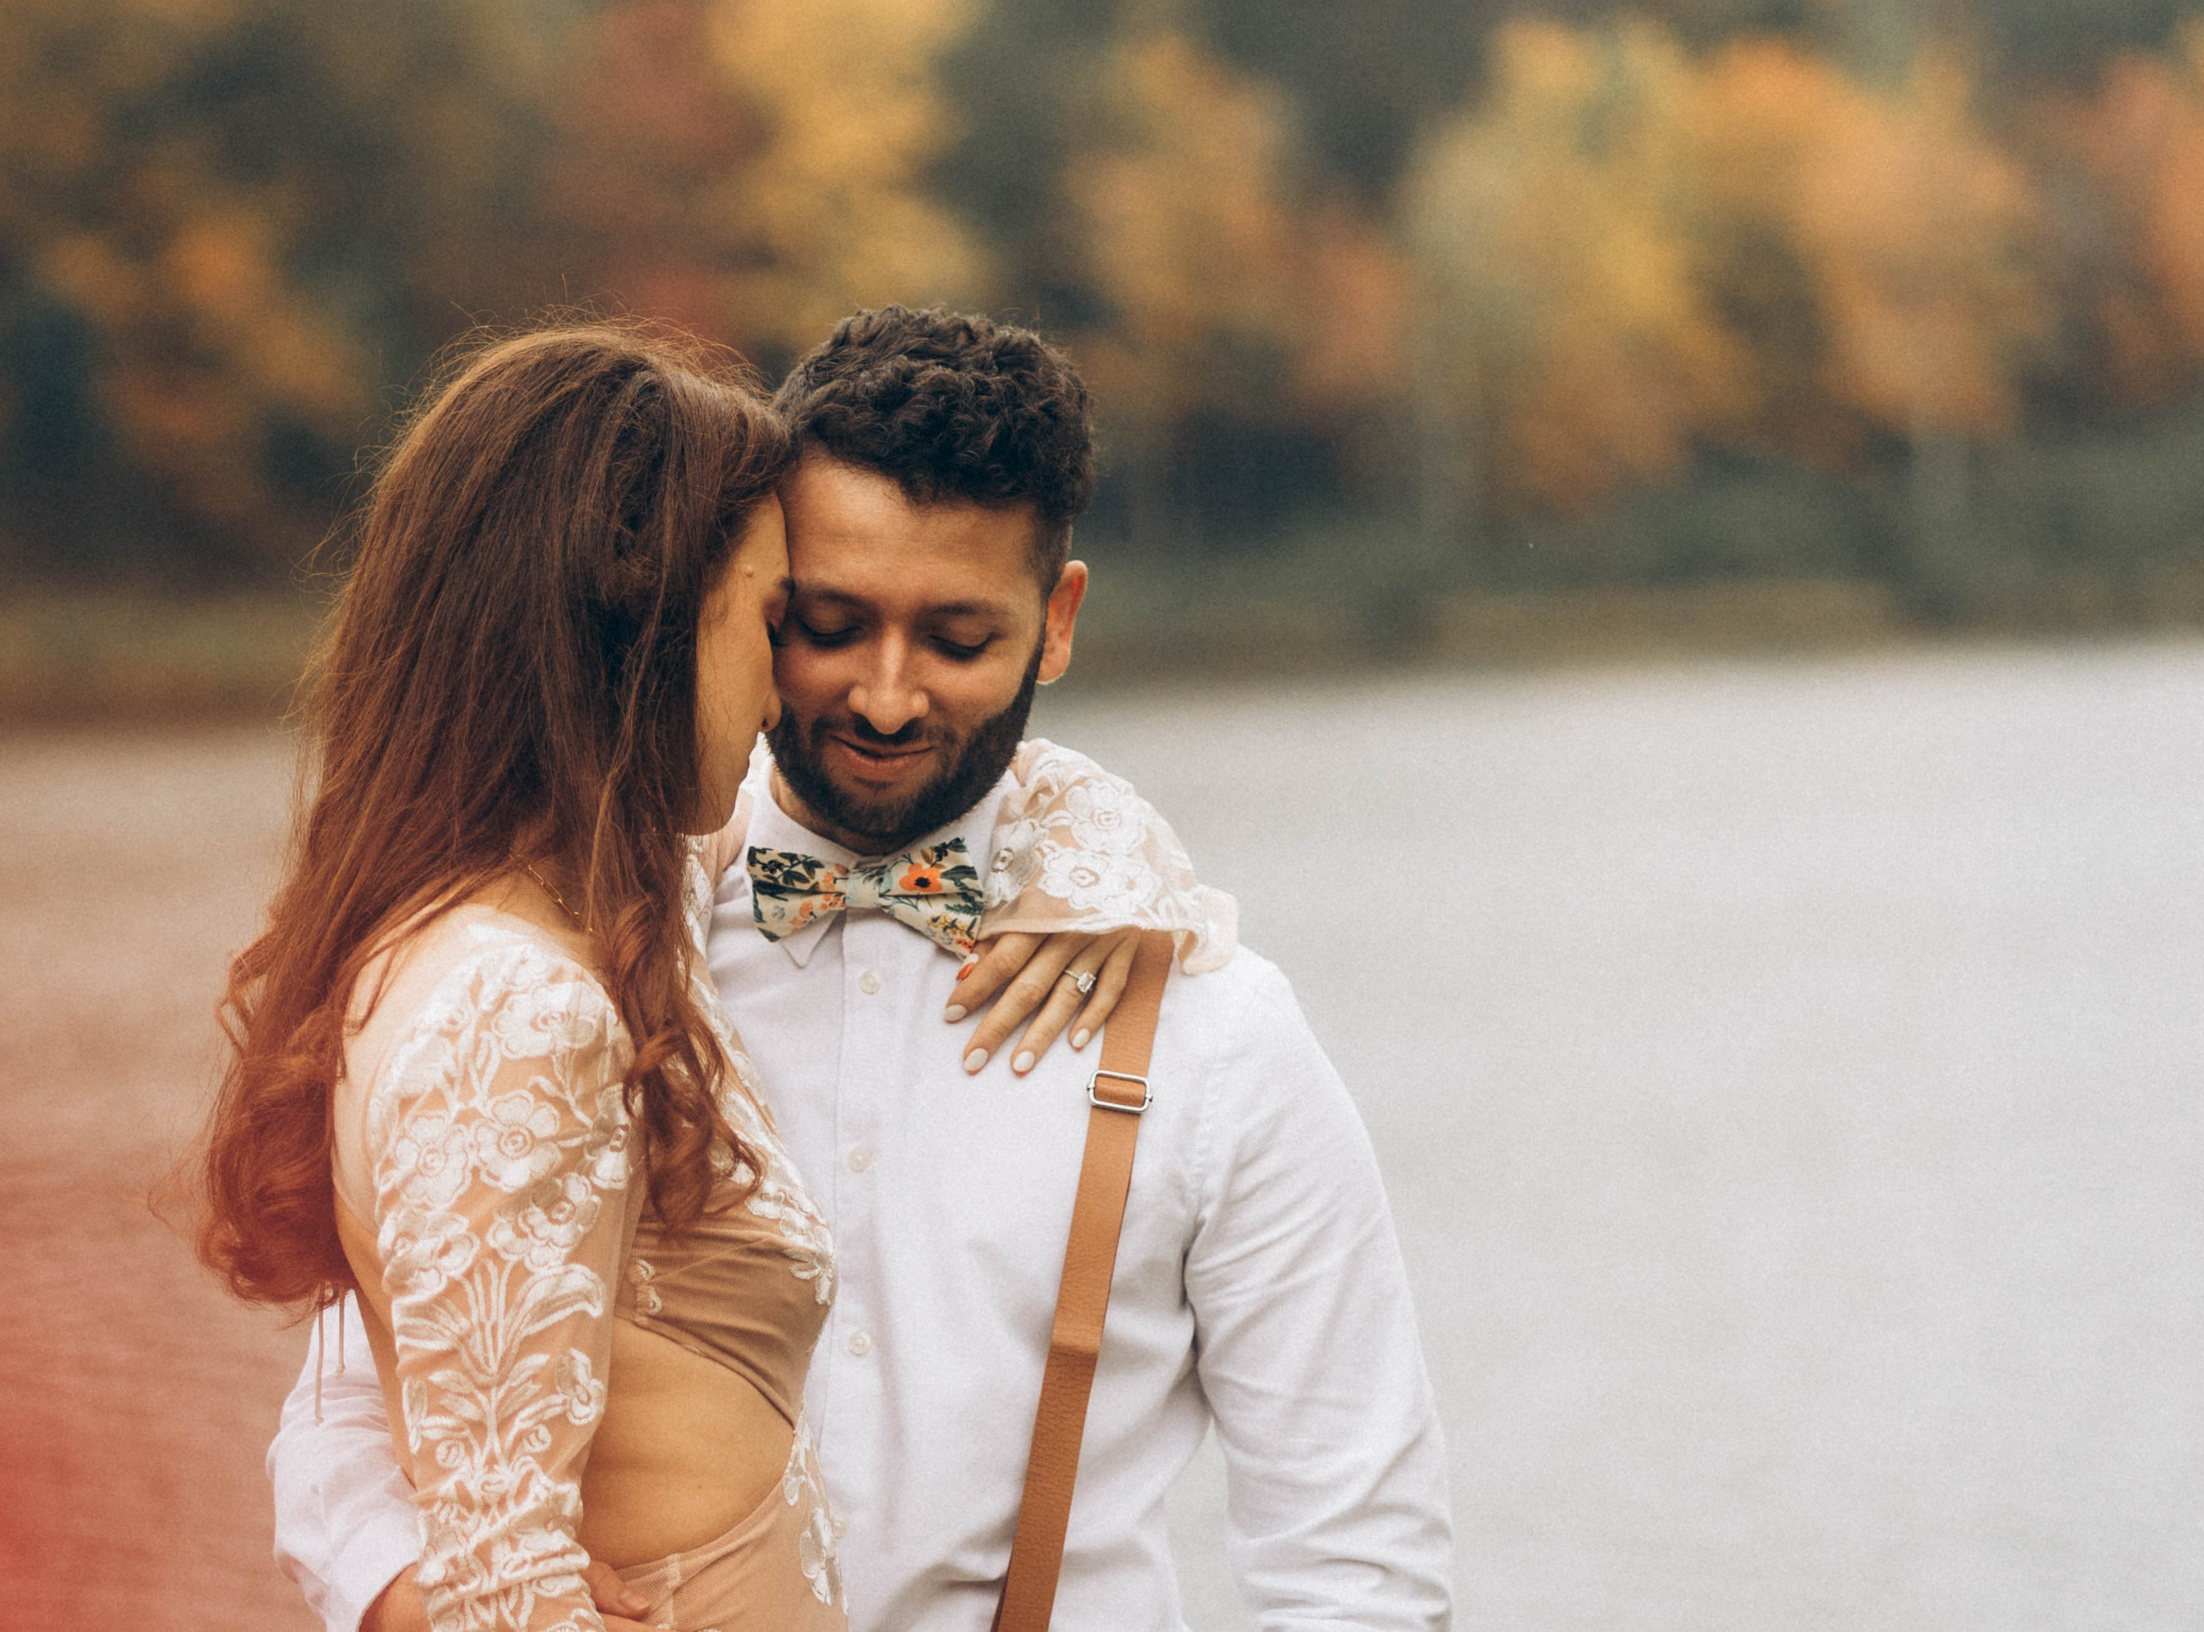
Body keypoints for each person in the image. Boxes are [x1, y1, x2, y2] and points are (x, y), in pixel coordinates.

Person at [271, 308, 1454, 1632]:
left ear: (1056, 622)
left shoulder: (1210, 1032)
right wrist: (442, 1602)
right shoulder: (580, 967)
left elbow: (1356, 1559)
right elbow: (352, 1399)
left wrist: (1110, 840)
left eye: (958, 640)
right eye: (826, 624)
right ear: (741, 588)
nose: (886, 701)